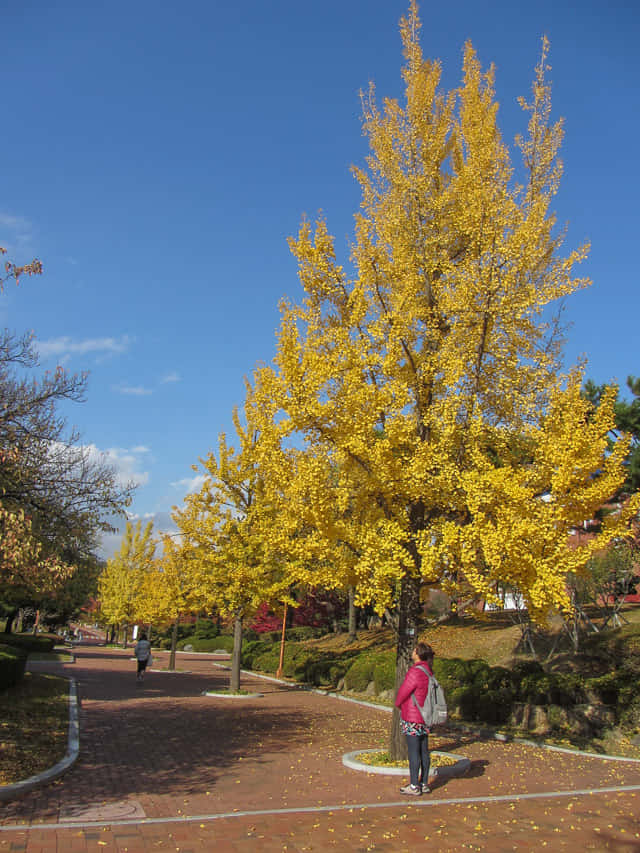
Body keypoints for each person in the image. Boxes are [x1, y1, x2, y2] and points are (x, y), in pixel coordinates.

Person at [394, 641, 435, 796]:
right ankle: (424, 783)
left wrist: (398, 704)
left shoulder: (415, 672)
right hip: (425, 717)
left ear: (418, 654)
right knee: (424, 751)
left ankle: (413, 785)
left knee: (413, 752)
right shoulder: (428, 671)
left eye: (414, 650)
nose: (412, 652)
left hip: (413, 717)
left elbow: (404, 692)